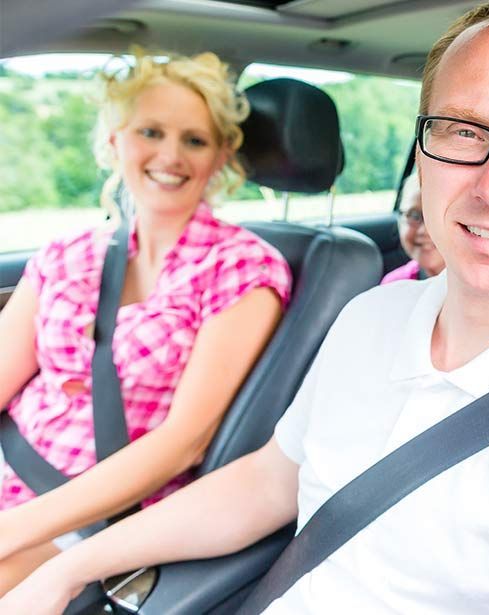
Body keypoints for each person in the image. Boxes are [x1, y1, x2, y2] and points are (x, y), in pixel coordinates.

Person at [1, 2, 489, 613]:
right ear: (423, 152)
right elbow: (266, 482)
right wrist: (68, 567)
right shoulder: (370, 318)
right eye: (463, 131)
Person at [0, 49, 291, 591]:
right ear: (115, 142)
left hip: (90, 515)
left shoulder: (241, 268)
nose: (170, 155)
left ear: (222, 155)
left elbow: (184, 442)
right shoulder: (66, 253)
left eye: (195, 140)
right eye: (151, 132)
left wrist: (12, 529)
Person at [381, 173, 446, 283]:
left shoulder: (480, 289)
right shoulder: (393, 285)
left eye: (436, 216)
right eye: (414, 216)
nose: (424, 230)